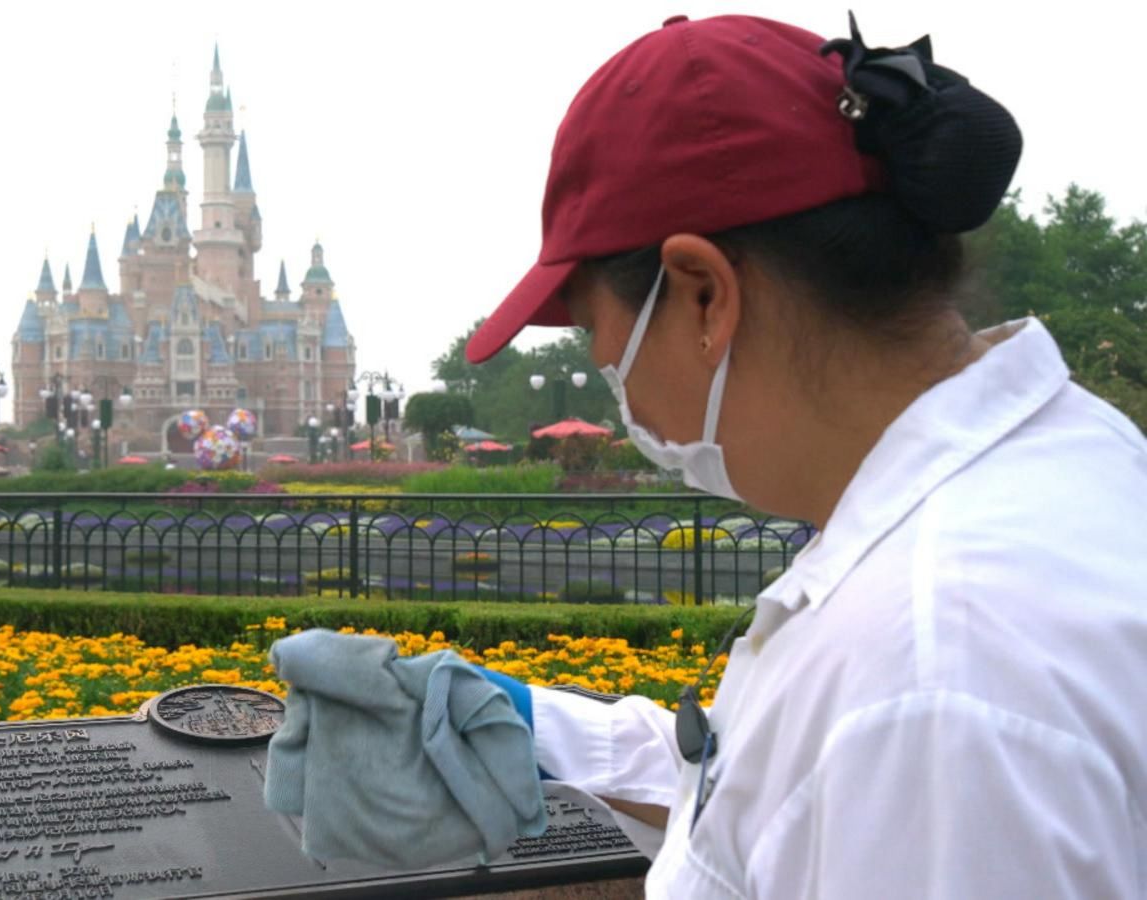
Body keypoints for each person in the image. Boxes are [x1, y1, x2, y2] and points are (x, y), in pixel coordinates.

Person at [463, 13, 1147, 899]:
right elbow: (780, 789)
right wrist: (531, 727)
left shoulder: (933, 676)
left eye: (599, 333)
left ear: (705, 294)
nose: (613, 382)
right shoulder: (1057, 476)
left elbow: (870, 751)